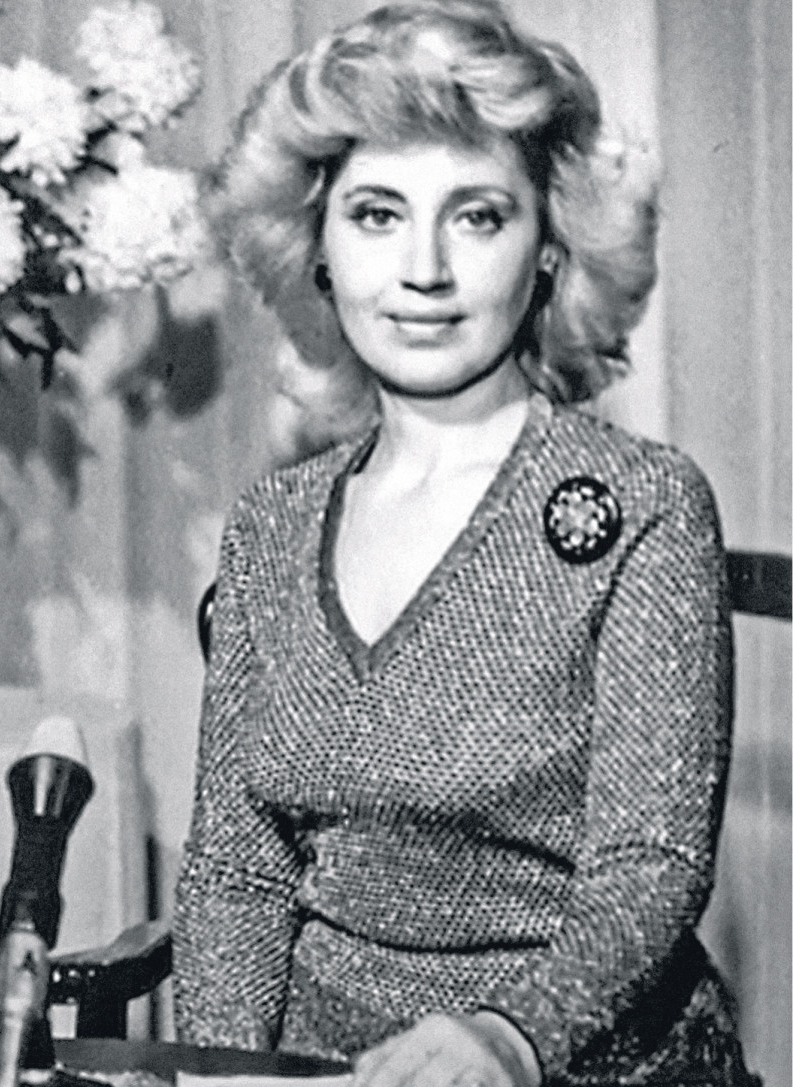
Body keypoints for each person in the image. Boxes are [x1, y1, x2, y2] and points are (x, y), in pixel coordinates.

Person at [175, 3, 757, 1086]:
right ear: (315, 248)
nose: (424, 270)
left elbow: (650, 863)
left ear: (550, 249)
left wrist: (506, 1034)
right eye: (376, 215)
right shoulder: (269, 526)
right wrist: (221, 1069)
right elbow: (237, 871)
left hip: (576, 1061)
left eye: (477, 217)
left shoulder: (645, 503)